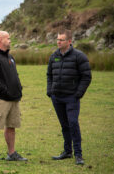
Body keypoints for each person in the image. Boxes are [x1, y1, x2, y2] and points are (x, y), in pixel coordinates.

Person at [47, 29, 92, 165]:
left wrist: (78, 94)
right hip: (57, 97)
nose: (58, 42)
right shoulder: (54, 56)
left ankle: (78, 154)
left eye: (61, 40)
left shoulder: (79, 56)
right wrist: (50, 91)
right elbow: (49, 75)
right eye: (57, 40)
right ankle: (67, 151)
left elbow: (86, 76)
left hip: (71, 97)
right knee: (64, 125)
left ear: (69, 41)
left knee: (73, 123)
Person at [0, 31, 27, 164]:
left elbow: (15, 75)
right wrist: (6, 92)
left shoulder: (10, 57)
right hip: (0, 99)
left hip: (14, 98)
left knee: (11, 126)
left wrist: (19, 89)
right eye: (7, 38)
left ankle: (11, 153)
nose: (10, 40)